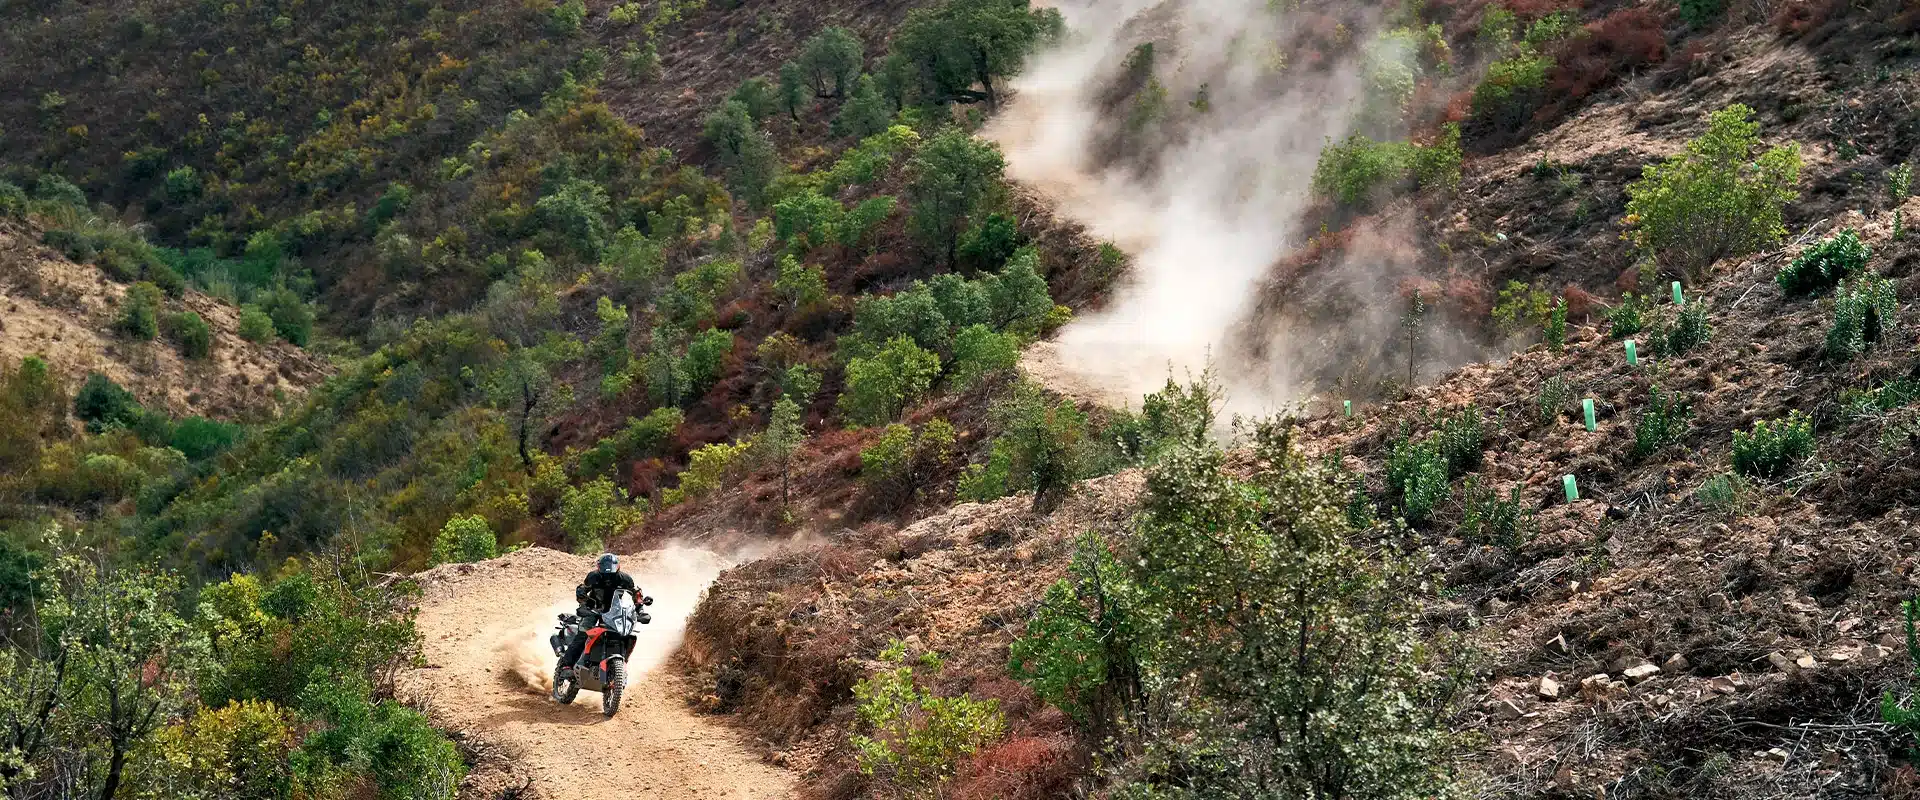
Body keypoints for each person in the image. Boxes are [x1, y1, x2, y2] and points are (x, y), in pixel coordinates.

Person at [557, 553, 642, 679]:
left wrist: (640, 610)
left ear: (617, 567)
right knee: (584, 633)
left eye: (611, 573)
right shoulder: (593, 577)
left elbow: (636, 594)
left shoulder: (625, 579)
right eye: (604, 572)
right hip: (593, 609)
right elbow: (582, 590)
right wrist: (584, 602)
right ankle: (566, 665)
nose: (608, 576)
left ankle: (618, 665)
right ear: (599, 568)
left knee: (625, 633)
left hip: (614, 611)